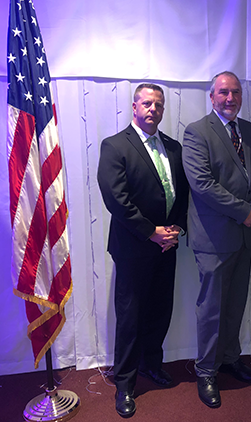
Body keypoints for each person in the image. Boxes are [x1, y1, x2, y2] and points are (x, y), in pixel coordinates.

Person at [97, 83, 189, 418]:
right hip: (134, 246)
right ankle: (124, 382)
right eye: (147, 103)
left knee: (160, 309)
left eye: (159, 105)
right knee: (131, 315)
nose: (153, 109)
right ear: (134, 107)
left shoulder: (174, 148)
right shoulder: (115, 146)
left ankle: (152, 364)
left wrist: (175, 228)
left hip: (167, 244)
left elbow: (182, 194)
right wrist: (150, 232)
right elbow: (116, 199)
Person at [182, 71, 251, 408]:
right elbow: (202, 184)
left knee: (235, 303)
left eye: (235, 92)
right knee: (212, 309)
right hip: (214, 238)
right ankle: (205, 370)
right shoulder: (197, 132)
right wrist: (243, 211)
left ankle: (230, 359)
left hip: (246, 235)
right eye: (223, 92)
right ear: (211, 96)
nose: (230, 98)